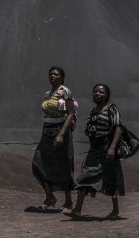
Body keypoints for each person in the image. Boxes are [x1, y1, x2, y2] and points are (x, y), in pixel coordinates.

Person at [64, 83, 125, 220]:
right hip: (94, 149)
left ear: (106, 95)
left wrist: (112, 148)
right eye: (95, 91)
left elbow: (118, 128)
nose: (97, 94)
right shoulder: (92, 111)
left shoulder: (111, 109)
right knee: (85, 175)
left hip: (107, 148)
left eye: (101, 92)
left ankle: (116, 211)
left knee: (112, 177)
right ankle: (77, 210)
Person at [31, 66, 76, 211]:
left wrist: (62, 134)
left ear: (62, 77)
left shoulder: (65, 91)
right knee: (37, 163)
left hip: (60, 132)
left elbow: (70, 113)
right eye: (51, 74)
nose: (53, 76)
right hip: (47, 133)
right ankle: (50, 196)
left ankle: (69, 202)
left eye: (56, 74)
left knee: (63, 164)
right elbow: (46, 116)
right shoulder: (47, 94)